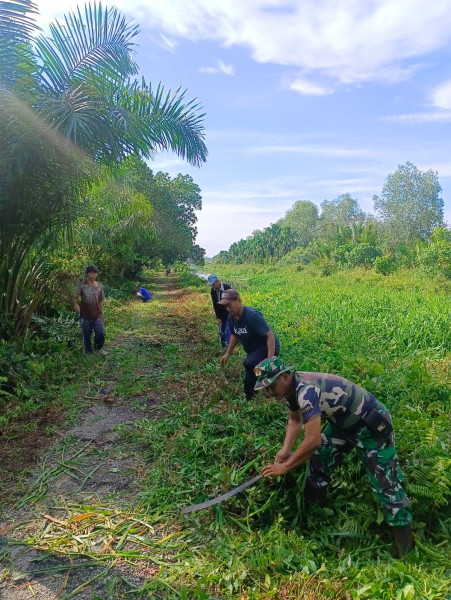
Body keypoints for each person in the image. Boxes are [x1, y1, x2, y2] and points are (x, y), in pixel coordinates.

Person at [254, 356, 414, 557]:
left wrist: (286, 467)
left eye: (271, 386)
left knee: (385, 483)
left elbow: (312, 440)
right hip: (342, 422)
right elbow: (295, 420)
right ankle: (317, 516)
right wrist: (286, 449)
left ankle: (406, 550)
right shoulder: (290, 389)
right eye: (265, 389)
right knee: (320, 457)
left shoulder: (306, 391)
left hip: (368, 424)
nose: (269, 393)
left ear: (285, 376)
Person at [218, 289, 280, 400]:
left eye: (229, 305)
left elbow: (269, 335)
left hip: (267, 346)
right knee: (250, 380)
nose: (227, 309)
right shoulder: (231, 317)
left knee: (249, 363)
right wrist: (227, 353)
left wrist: (270, 359)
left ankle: (272, 373)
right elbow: (235, 335)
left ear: (239, 300)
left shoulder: (252, 315)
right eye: (225, 306)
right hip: (254, 350)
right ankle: (254, 393)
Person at [72, 265, 107, 355]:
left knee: (101, 333)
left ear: (97, 274)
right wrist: (75, 305)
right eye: (90, 272)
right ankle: (87, 351)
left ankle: (98, 347)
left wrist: (101, 314)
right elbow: (75, 297)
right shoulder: (82, 285)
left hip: (96, 315)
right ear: (87, 274)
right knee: (86, 334)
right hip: (85, 315)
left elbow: (100, 302)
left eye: (94, 272)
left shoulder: (99, 286)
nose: (92, 274)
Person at [207, 274, 232, 347]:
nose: (212, 286)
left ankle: (229, 347)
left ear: (218, 282)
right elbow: (215, 304)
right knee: (222, 330)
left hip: (229, 312)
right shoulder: (213, 291)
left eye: (213, 284)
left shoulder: (227, 287)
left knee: (229, 331)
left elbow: (232, 300)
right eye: (211, 285)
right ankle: (223, 346)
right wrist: (218, 317)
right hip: (221, 314)